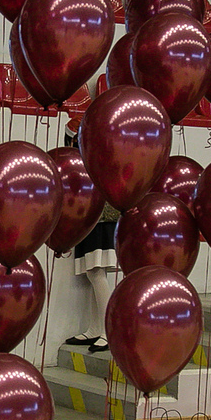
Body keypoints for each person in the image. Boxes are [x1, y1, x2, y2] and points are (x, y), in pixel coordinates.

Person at [62, 123, 119, 352]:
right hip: (89, 218)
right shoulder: (87, 158)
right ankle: (96, 328)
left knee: (96, 272)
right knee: (93, 272)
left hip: (101, 218)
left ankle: (107, 330)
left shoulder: (97, 158)